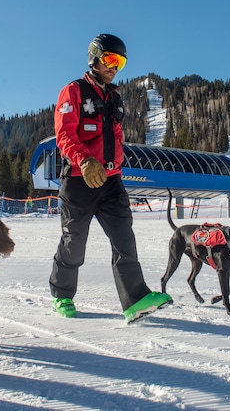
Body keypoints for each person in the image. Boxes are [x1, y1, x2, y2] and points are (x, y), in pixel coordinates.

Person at [49, 33, 172, 323]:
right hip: (80, 180)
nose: (114, 67)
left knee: (124, 239)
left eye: (120, 62)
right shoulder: (74, 91)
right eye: (109, 59)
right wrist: (85, 160)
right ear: (94, 58)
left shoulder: (114, 97)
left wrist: (114, 165)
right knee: (74, 241)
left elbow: (116, 136)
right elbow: (64, 134)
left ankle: (135, 300)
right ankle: (61, 294)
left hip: (111, 180)